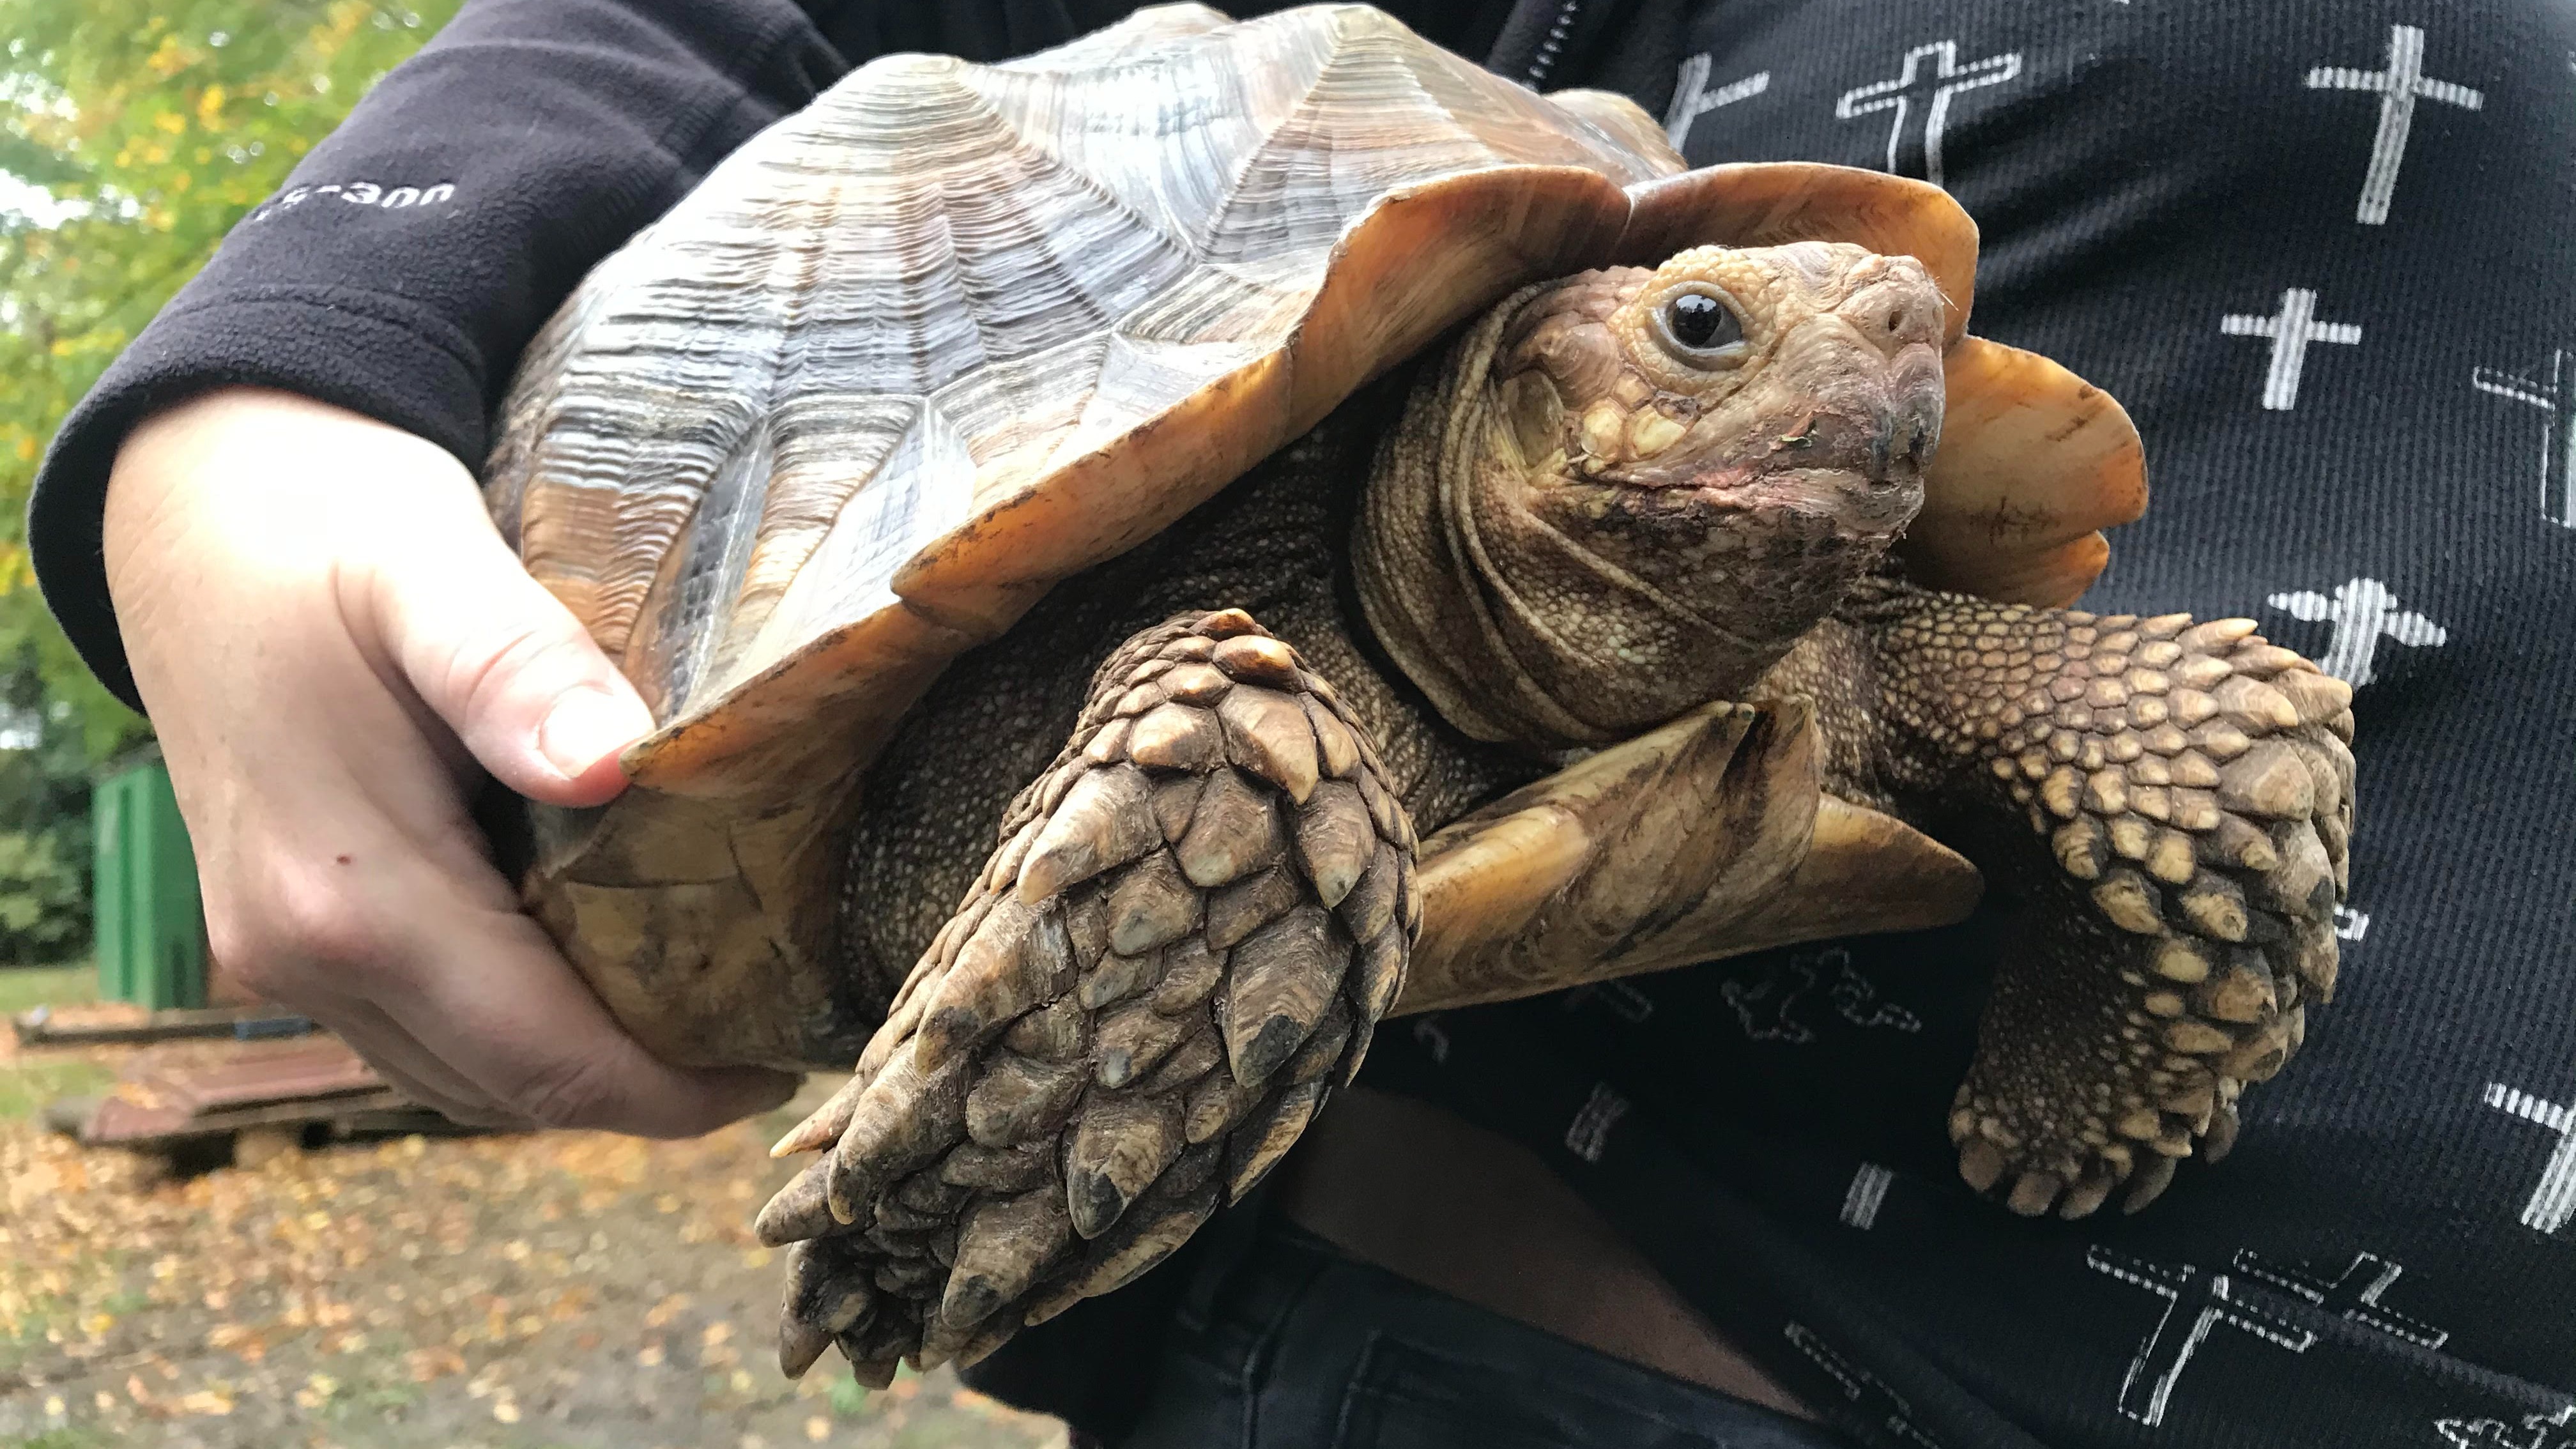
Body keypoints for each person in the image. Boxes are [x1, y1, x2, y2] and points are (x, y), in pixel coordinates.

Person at [34, 1, 2576, 1444]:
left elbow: (2205, 777)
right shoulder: (1250, 685)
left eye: (1893, 375)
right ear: (1504, 400)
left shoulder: (1901, 646)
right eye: (1706, 327)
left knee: (2192, 733)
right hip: (1649, 1358)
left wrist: (2108, 1040)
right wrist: (290, 363)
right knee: (1247, 768)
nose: (1884, 374)